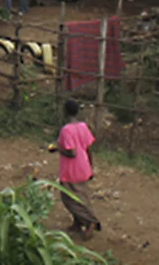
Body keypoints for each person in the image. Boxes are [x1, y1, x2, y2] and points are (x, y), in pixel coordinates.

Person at [56, 98, 100, 239]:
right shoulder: (83, 126)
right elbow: (88, 148)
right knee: (81, 195)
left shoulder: (66, 130)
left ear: (65, 112)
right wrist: (90, 166)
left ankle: (90, 221)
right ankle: (77, 223)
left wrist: (58, 149)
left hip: (71, 169)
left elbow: (71, 152)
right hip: (84, 166)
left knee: (69, 198)